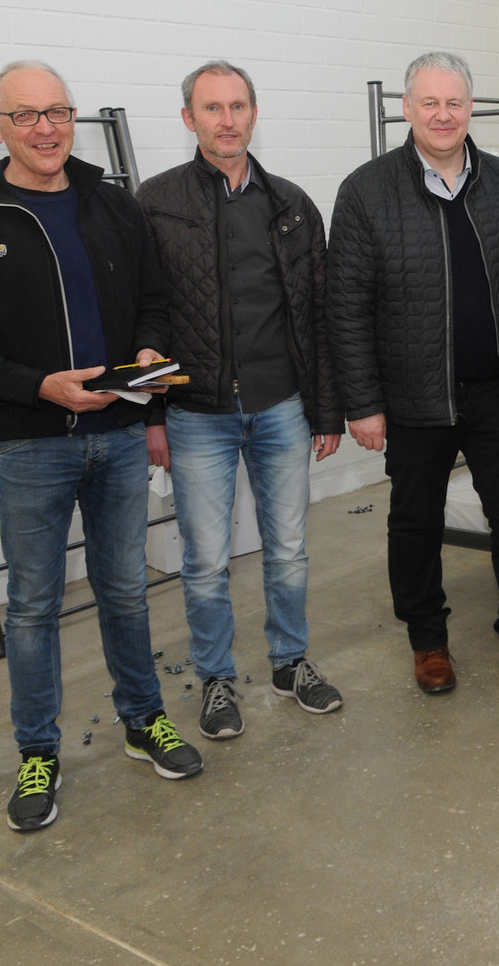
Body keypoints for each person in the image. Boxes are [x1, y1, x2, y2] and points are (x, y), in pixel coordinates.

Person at [0, 61, 201, 833]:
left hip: (115, 437)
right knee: (34, 608)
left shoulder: (112, 205)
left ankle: (144, 719)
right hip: (29, 446)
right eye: (26, 115)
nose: (45, 128)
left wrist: (148, 351)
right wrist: (39, 386)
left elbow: (153, 300)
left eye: (58, 112)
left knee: (125, 591)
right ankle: (37, 752)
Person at [327, 52, 499, 695]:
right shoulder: (366, 191)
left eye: (455, 103)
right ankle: (428, 643)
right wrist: (362, 401)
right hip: (412, 399)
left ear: (470, 109)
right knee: (415, 524)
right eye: (429, 103)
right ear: (406, 109)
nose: (443, 114)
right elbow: (346, 304)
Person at [138, 61, 345, 740]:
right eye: (211, 108)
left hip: (281, 406)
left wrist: (325, 409)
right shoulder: (157, 202)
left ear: (254, 114)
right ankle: (218, 679)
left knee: (288, 549)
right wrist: (151, 415)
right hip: (195, 415)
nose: (226, 120)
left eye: (238, 106)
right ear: (188, 118)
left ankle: (290, 662)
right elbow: (144, 315)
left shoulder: (290, 205)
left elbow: (318, 315)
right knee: (204, 561)